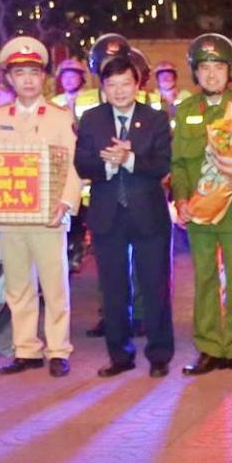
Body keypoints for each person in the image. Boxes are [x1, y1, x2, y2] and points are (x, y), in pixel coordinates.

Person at [0, 36, 82, 376]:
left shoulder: (58, 117)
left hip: (50, 215)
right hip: (10, 217)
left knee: (54, 286)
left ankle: (58, 350)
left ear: (43, 78)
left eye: (33, 73)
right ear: (9, 78)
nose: (27, 80)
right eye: (20, 73)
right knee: (18, 287)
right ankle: (26, 349)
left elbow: (74, 165)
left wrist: (66, 202)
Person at [75, 52, 175, 378]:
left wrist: (129, 158)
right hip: (107, 215)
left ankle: (159, 354)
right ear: (103, 87)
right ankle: (120, 355)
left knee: (155, 285)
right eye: (112, 84)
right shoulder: (91, 119)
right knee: (114, 289)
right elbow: (82, 164)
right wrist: (107, 164)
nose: (119, 91)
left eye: (125, 83)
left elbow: (162, 164)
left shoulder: (156, 118)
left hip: (148, 216)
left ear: (137, 84)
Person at [171, 33, 232, 377]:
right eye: (204, 68)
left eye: (218, 67)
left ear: (231, 71)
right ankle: (209, 347)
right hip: (199, 209)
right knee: (205, 279)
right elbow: (179, 162)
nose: (211, 74)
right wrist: (181, 197)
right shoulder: (185, 111)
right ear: (195, 73)